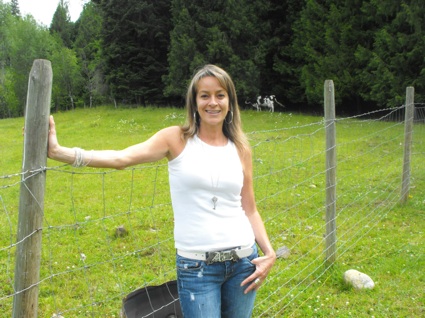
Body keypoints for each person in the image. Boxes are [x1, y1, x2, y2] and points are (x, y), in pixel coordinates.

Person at [48, 64, 276, 317]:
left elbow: (250, 209)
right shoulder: (175, 139)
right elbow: (121, 158)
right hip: (197, 267)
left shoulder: (241, 148)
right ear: (194, 102)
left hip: (244, 263)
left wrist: (269, 252)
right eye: (205, 95)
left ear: (230, 102)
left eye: (220, 95)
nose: (213, 102)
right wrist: (60, 153)